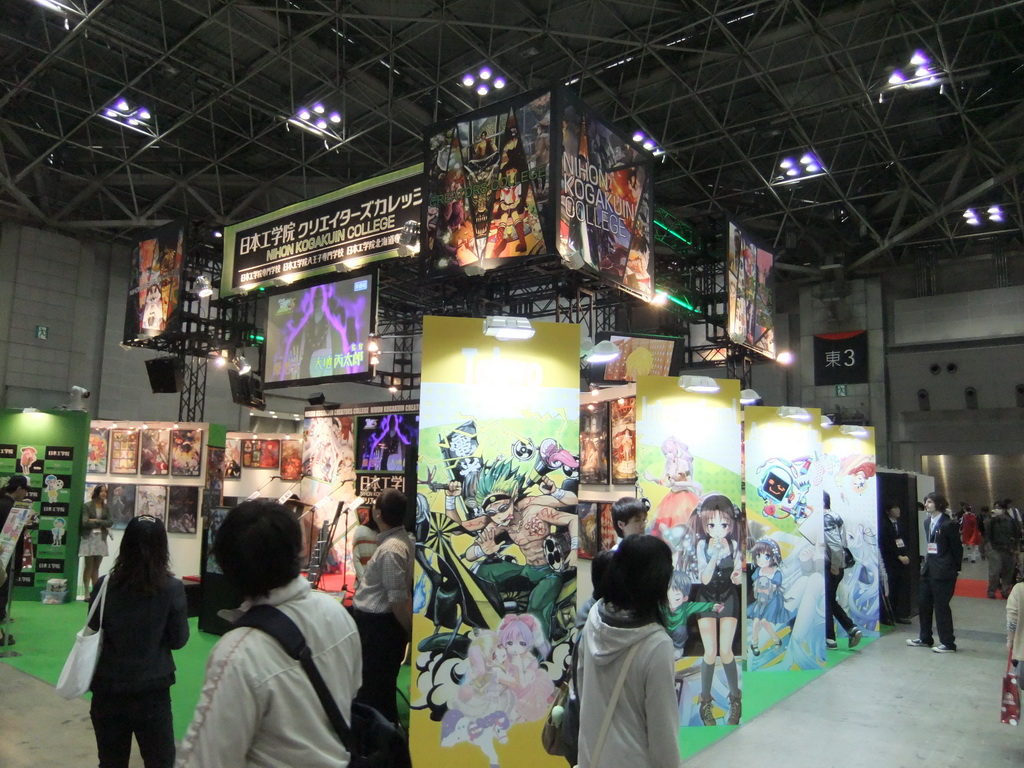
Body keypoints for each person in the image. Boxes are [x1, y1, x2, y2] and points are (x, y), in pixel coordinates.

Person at [176, 500, 361, 767]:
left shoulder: (238, 653)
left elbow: (208, 759)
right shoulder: (337, 614)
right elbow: (352, 692)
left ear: (227, 566)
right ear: (299, 551)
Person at [88, 515, 189, 768]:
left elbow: (93, 630)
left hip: (108, 687)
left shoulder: (103, 585)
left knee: (110, 762)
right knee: (160, 761)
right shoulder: (172, 588)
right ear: (162, 546)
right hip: (152, 689)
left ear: (126, 545)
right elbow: (179, 640)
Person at [576, 535, 680, 768]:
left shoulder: (594, 618)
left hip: (591, 755)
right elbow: (663, 730)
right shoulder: (656, 644)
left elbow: (582, 685)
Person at [352, 488, 413, 725]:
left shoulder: (390, 549)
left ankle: (377, 737)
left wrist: (409, 630)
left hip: (379, 629)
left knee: (373, 689)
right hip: (382, 627)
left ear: (377, 513)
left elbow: (397, 600)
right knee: (380, 687)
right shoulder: (402, 541)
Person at [693, 494, 743, 725]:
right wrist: (713, 555)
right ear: (705, 525)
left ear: (730, 525)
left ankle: (735, 699)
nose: (717, 530)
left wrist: (737, 575)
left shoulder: (734, 545)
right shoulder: (702, 545)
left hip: (728, 596)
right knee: (710, 652)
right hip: (706, 598)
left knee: (726, 650)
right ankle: (705, 702)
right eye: (711, 525)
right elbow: (704, 579)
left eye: (723, 524)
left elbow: (737, 573)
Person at [907, 492, 963, 653]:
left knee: (941, 607)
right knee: (924, 604)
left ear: (939, 504)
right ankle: (925, 637)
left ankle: (948, 642)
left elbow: (957, 549)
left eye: (930, 502)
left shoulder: (948, 524)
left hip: (944, 571)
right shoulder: (927, 522)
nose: (926, 505)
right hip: (929, 569)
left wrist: (955, 568)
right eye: (926, 502)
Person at [823, 493, 863, 650]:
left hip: (830, 565)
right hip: (834, 565)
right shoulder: (834, 516)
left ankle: (830, 638)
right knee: (829, 600)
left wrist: (835, 565)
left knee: (826, 601)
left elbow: (834, 545)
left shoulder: (826, 518)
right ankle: (850, 628)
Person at [0, 475, 31, 645]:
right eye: (25, 490)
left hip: (5, 554)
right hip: (5, 555)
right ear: (19, 489)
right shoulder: (9, 507)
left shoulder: (5, 503)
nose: (26, 493)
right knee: (2, 588)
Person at [879, 501, 912, 624]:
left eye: (898, 508)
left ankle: (897, 614)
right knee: (890, 587)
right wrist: (898, 556)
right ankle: (886, 616)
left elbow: (903, 541)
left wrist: (905, 555)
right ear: (888, 511)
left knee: (898, 587)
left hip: (900, 561)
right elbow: (885, 544)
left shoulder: (900, 524)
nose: (898, 510)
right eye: (894, 508)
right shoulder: (884, 525)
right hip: (889, 561)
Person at [80, 484, 114, 597]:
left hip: (101, 538)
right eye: (101, 491)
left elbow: (110, 522)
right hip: (89, 538)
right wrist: (101, 522)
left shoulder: (106, 507)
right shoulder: (87, 506)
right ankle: (86, 592)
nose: (104, 494)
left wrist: (95, 521)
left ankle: (94, 591)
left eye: (105, 492)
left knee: (96, 566)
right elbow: (85, 522)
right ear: (96, 492)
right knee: (88, 566)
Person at [986, 502, 1020, 600]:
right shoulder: (991, 522)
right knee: (994, 572)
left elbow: (1017, 535)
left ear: (1004, 509)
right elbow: (987, 536)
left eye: (998, 508)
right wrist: (989, 549)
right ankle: (991, 590)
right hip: (996, 549)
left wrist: (1017, 549)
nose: (996, 510)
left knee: (1008, 571)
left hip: (1009, 549)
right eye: (995, 508)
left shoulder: (1011, 521)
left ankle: (1005, 590)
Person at [351, 504, 379, 587]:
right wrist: (363, 581)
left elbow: (356, 559)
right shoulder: (361, 531)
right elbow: (356, 559)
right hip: (370, 584)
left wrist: (362, 581)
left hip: (368, 584)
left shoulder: (360, 531)